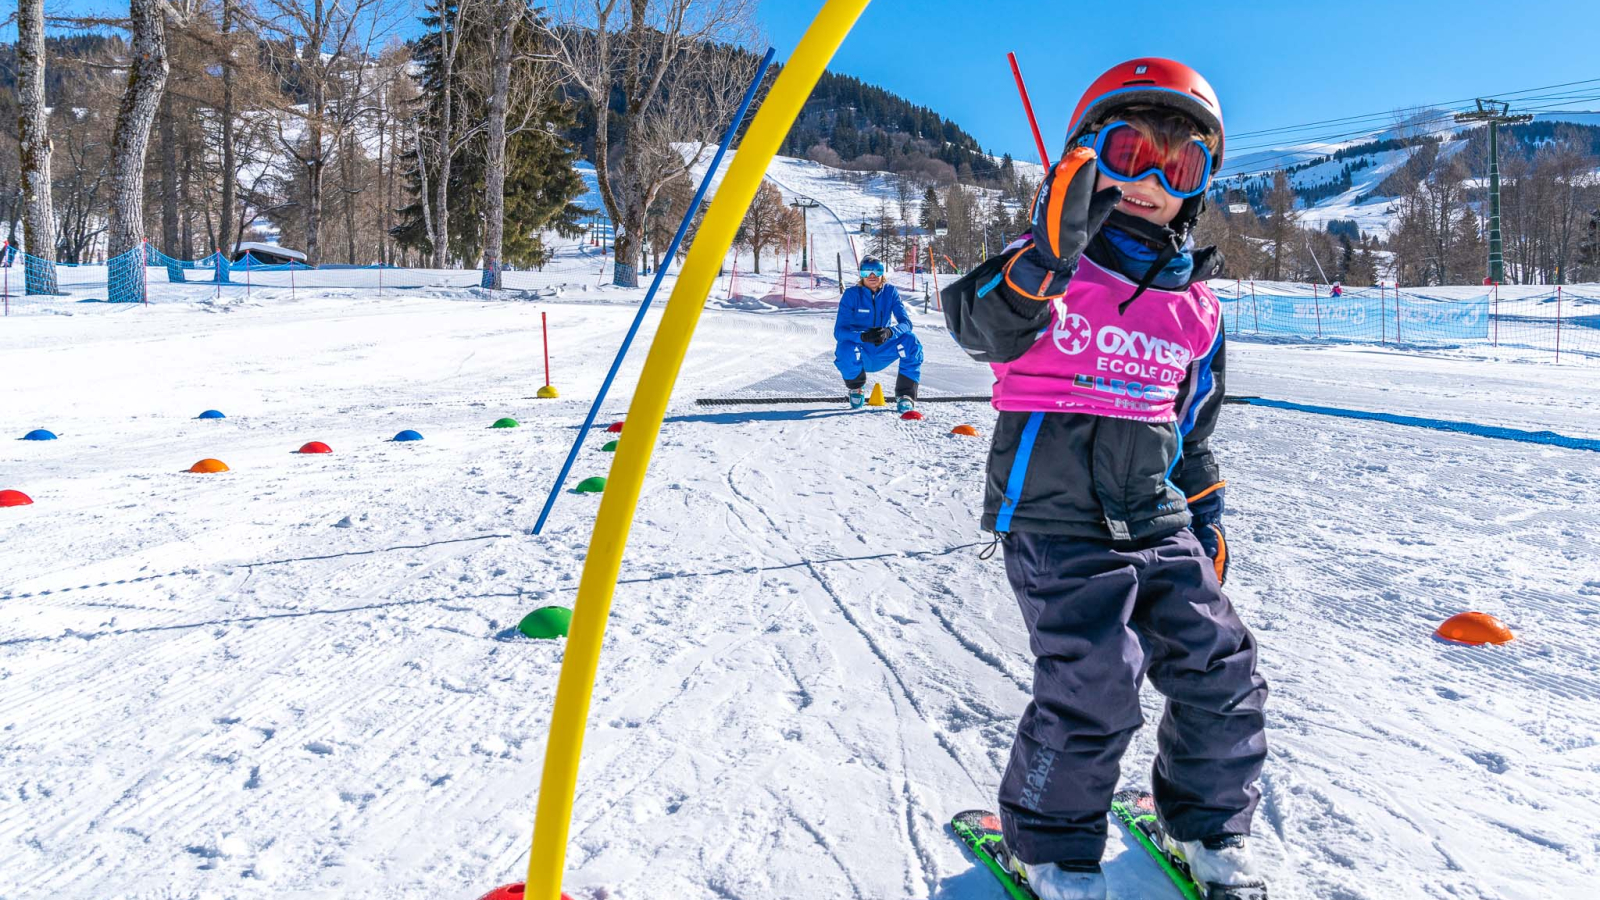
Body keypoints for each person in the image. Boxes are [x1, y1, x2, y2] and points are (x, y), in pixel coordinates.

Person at [943, 58, 1268, 900]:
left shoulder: (1198, 309)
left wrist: (1208, 515)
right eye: (1129, 152)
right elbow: (976, 325)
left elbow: (1192, 429)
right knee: (1097, 684)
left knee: (1222, 669)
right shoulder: (1044, 266)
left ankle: (1206, 828)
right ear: (1086, 158)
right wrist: (1046, 258)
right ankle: (1050, 846)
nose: (1152, 179)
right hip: (1056, 524)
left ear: (1199, 185)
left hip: (1158, 522)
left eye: (1180, 164)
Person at [834, 256, 923, 411]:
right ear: (861, 274)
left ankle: (905, 395)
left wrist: (889, 332)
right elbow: (839, 331)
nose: (872, 276)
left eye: (877, 270)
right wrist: (862, 336)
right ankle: (856, 388)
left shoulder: (890, 292)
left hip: (883, 347)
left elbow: (906, 323)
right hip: (861, 350)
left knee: (911, 341)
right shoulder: (851, 295)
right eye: (867, 271)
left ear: (882, 273)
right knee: (844, 347)